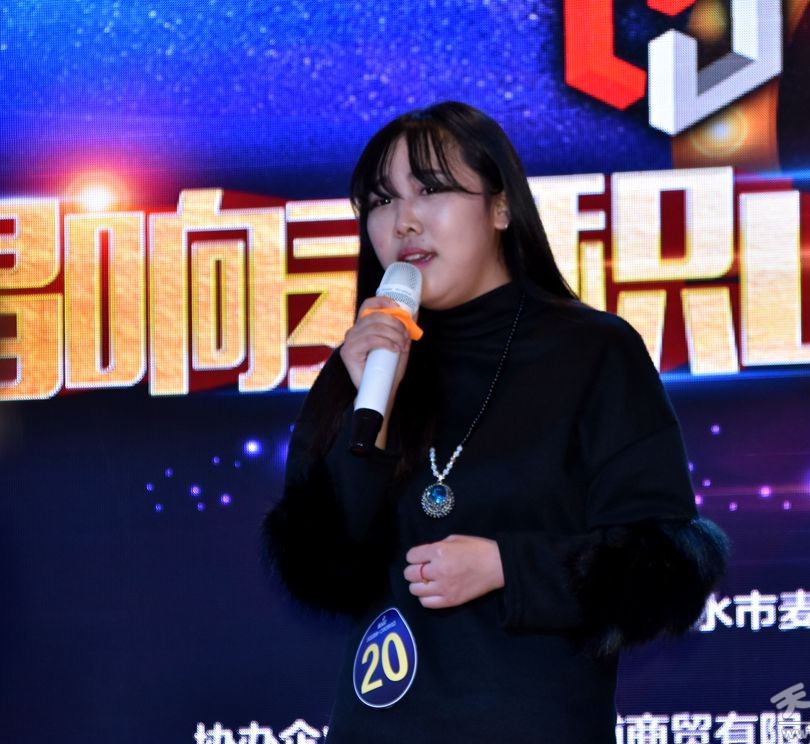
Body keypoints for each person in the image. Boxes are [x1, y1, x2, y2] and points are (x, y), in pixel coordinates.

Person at [263, 101, 727, 743]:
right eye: (381, 200)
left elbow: (667, 565)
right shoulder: (365, 362)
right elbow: (319, 568)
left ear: (501, 207)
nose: (404, 220)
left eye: (431, 190)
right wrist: (374, 407)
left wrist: (509, 565)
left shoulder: (592, 351)